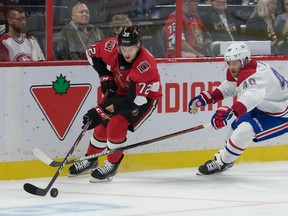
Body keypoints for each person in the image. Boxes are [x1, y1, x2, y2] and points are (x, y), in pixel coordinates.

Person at [68, 26, 162, 182]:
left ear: (138, 46)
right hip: (121, 89)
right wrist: (105, 76)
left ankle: (112, 165)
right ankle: (91, 160)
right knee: (101, 127)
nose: (126, 53)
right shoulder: (110, 47)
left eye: (130, 49)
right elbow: (91, 53)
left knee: (116, 124)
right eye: (123, 48)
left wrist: (101, 110)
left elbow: (132, 102)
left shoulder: (146, 65)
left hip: (143, 99)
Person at [188, 41, 288, 175]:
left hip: (281, 114)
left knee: (244, 131)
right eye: (229, 63)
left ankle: (221, 162)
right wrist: (208, 98)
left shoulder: (255, 75)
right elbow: (230, 87)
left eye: (234, 63)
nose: (231, 67)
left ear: (245, 60)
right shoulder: (245, 68)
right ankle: (226, 159)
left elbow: (253, 96)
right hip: (265, 106)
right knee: (236, 127)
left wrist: (231, 112)